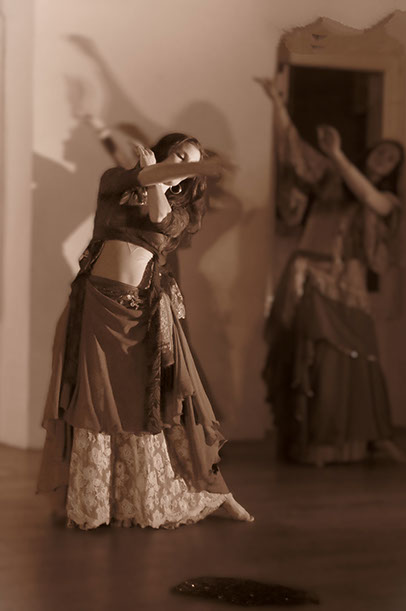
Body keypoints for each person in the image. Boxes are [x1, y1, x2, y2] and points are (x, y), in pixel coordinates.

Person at [37, 131, 254, 528]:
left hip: (141, 316)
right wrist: (149, 172)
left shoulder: (180, 213)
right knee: (96, 398)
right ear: (163, 152)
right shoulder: (114, 183)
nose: (184, 164)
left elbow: (160, 219)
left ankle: (218, 494)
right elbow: (132, 180)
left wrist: (158, 177)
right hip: (96, 307)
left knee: (147, 400)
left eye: (192, 162)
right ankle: (99, 503)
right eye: (180, 155)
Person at [256, 77, 406, 466]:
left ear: (394, 170)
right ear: (369, 152)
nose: (384, 158)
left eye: (392, 158)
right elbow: (294, 149)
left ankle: (370, 439)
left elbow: (370, 199)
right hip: (310, 273)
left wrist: (337, 154)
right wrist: (277, 103)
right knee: (315, 356)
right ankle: (316, 443)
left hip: (348, 281)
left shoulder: (388, 199)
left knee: (359, 357)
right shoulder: (328, 174)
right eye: (381, 151)